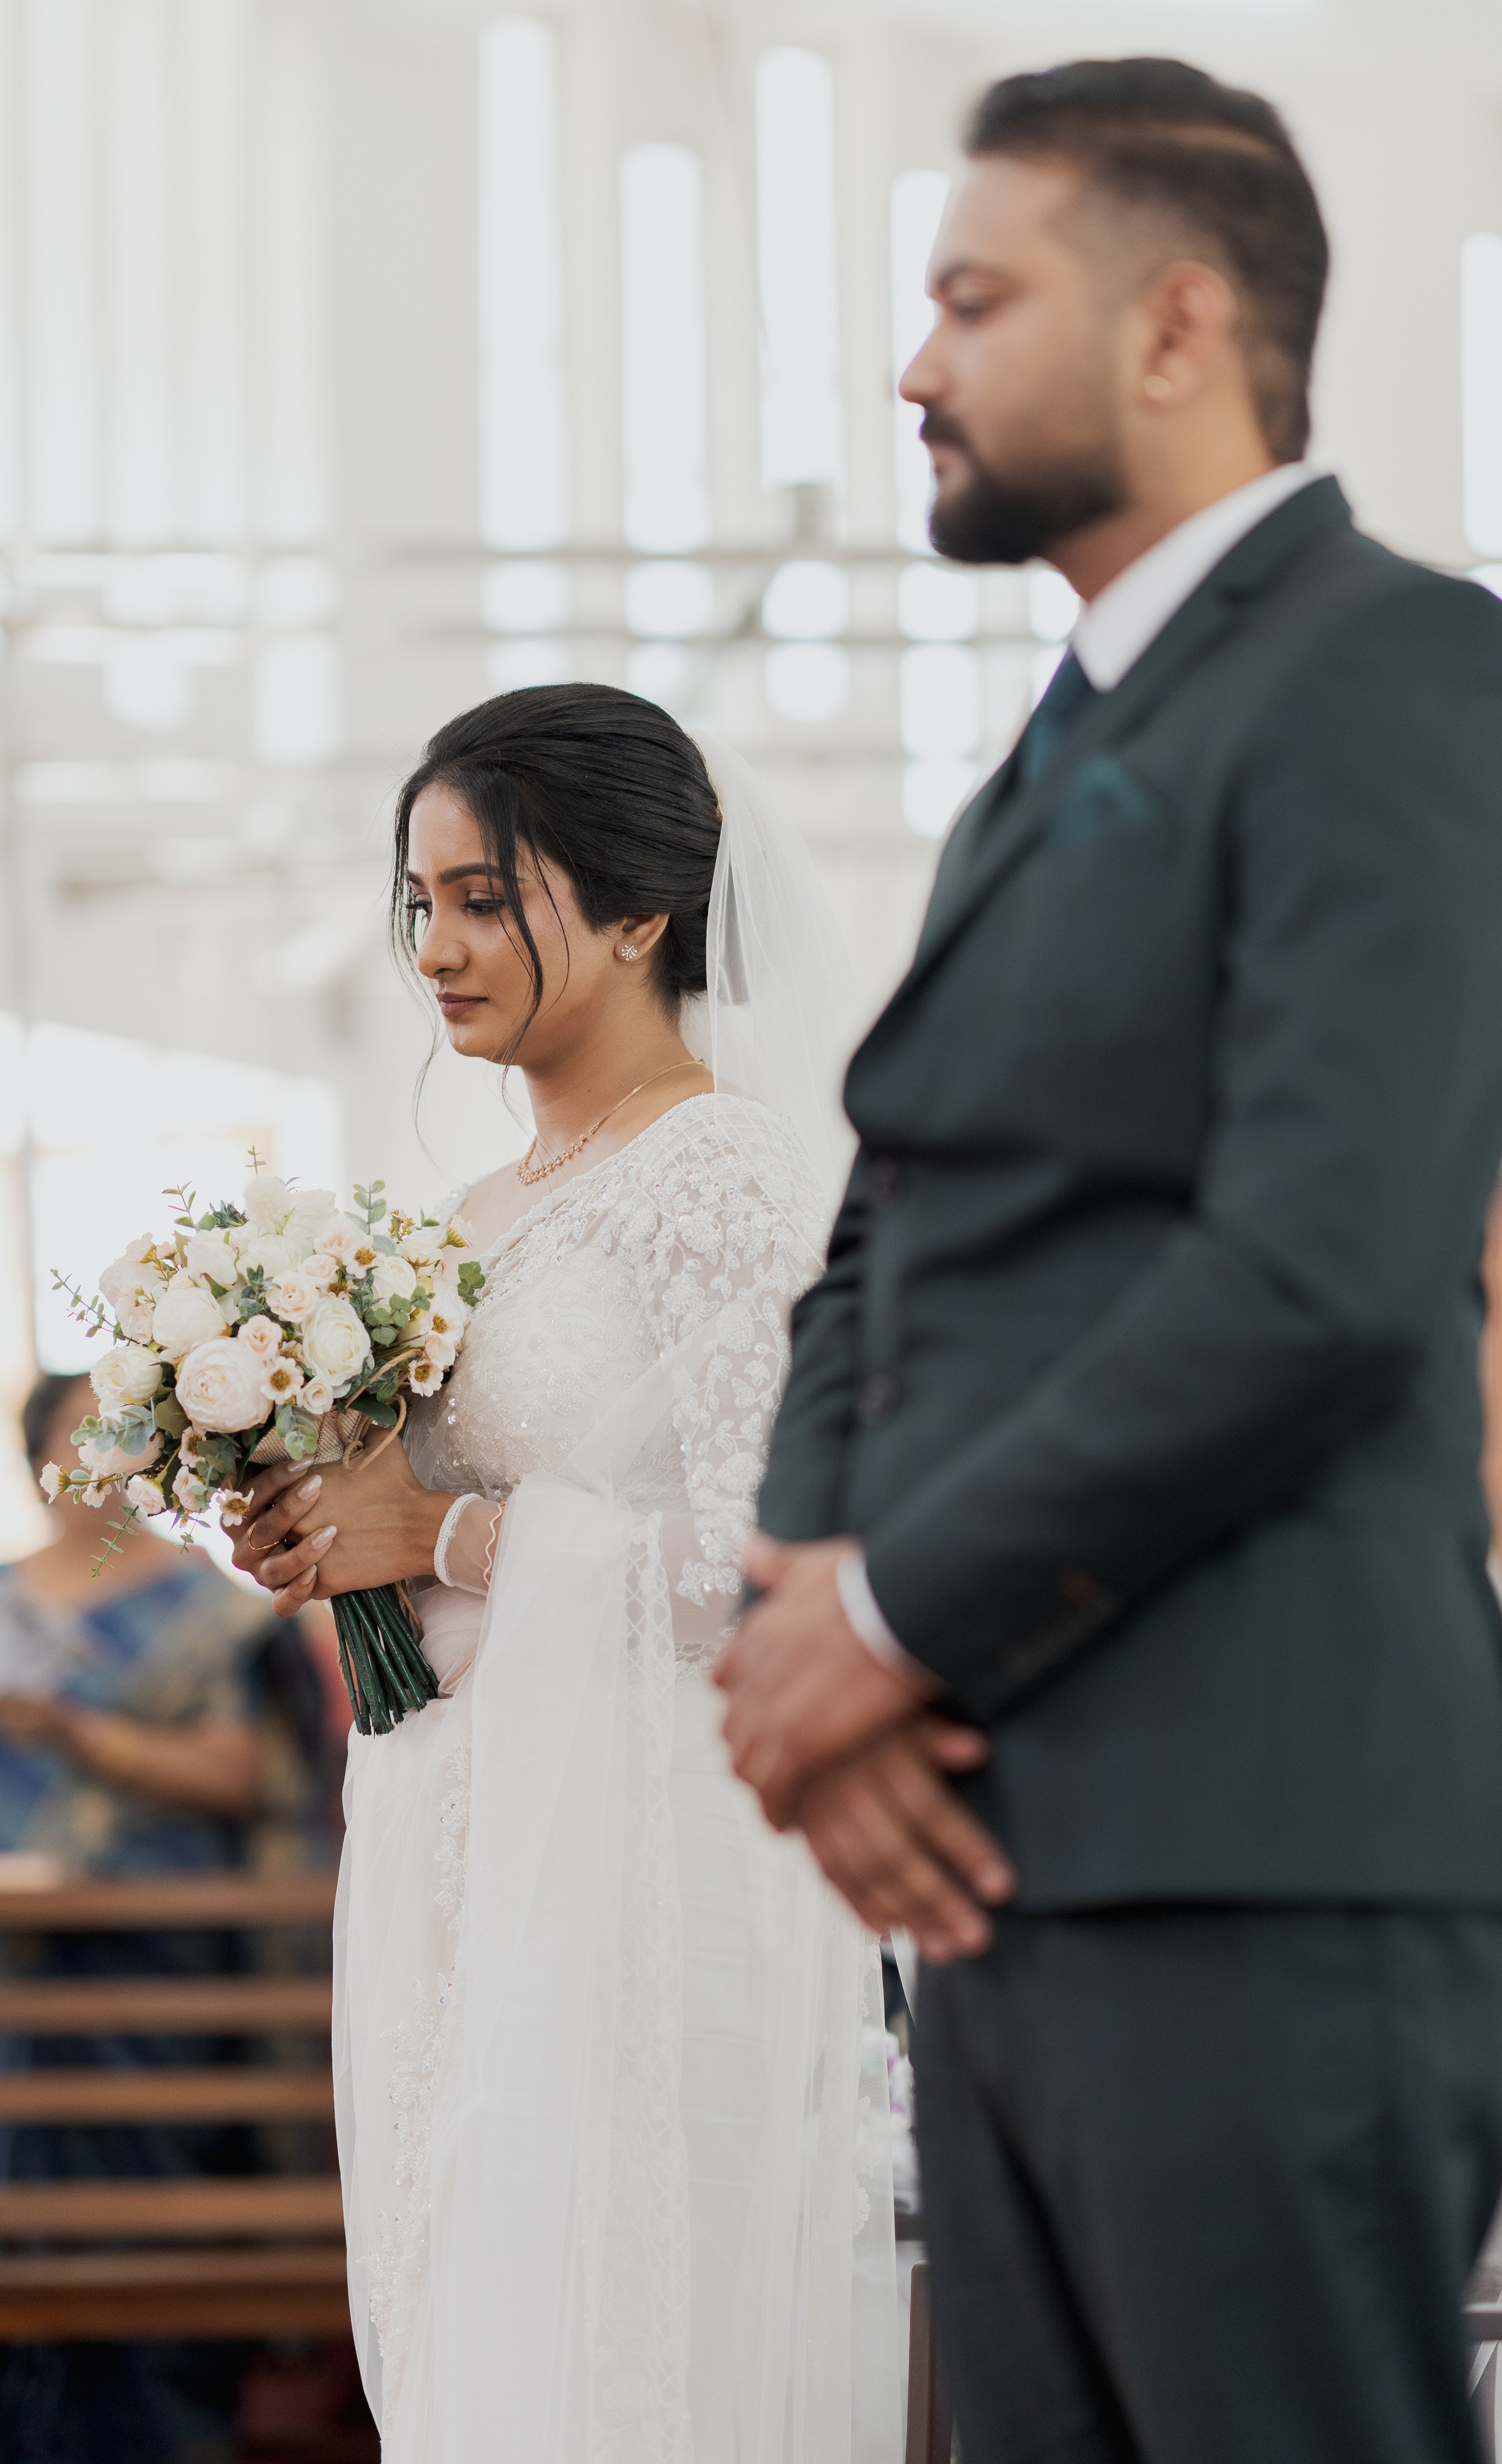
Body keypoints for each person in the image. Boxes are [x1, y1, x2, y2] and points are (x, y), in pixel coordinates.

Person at [717, 55, 1502, 2464]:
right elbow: (883, 1225)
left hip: (1261, 1855)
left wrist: (887, 1632)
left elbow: (1317, 1266)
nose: (916, 369)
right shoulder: (1041, 756)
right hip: (1002, 1870)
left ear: (1183, 322)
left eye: (974, 303)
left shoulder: (1400, 670)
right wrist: (802, 1608)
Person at [230, 685, 900, 2464]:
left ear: (637, 915)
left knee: (619, 2342)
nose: (437, 948)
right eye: (421, 903)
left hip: (638, 1863)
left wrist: (436, 1538)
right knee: (480, 2340)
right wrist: (316, 1521)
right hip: (462, 1836)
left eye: (483, 900)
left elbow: (765, 1568)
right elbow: (426, 1520)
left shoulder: (727, 1184)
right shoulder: (482, 1216)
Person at [0, 1371, 294, 2461]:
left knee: (144, 2212)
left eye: (117, 1440)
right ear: (37, 1459)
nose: (93, 1463)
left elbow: (249, 1776)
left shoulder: (208, 1608)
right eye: (75, 1440)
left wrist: (78, 1733)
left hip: (152, 1954)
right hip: (11, 1956)